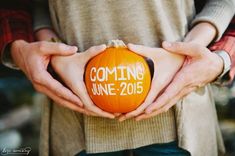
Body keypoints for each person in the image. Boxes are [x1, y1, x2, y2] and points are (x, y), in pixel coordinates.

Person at [7, 0, 235, 156]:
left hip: (179, 120)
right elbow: (31, 5)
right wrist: (47, 48)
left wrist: (212, 55)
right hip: (76, 128)